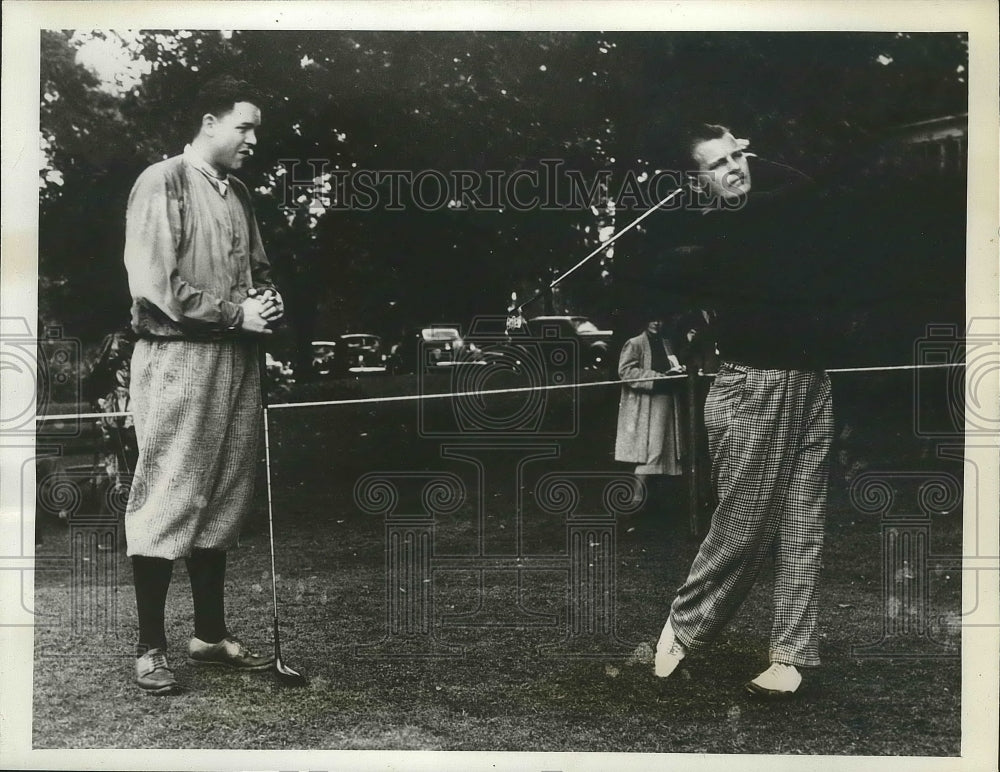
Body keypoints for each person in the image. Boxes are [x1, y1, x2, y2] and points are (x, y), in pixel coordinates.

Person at [647, 122, 834, 698]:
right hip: (755, 388)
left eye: (738, 156)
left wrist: (758, 156)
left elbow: (811, 189)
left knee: (804, 523)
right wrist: (767, 162)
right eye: (718, 163)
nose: (735, 168)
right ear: (695, 182)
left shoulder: (770, 213)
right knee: (745, 525)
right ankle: (683, 628)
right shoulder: (721, 233)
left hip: (812, 383)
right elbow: (798, 191)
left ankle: (791, 657)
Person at [122, 75, 284, 694]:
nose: (251, 140)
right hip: (177, 358)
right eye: (243, 127)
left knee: (222, 496)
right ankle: (150, 647)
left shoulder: (237, 190)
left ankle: (208, 636)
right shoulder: (162, 181)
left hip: (235, 358)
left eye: (255, 130)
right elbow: (154, 285)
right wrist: (232, 312)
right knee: (170, 494)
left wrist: (266, 306)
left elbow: (258, 270)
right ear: (209, 123)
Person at [614, 315, 687, 516]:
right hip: (647, 405)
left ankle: (655, 502)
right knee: (651, 451)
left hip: (667, 402)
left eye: (660, 319)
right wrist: (657, 378)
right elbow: (626, 371)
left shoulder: (666, 343)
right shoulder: (635, 343)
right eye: (652, 319)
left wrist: (677, 372)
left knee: (666, 450)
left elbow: (671, 366)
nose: (657, 322)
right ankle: (636, 497)